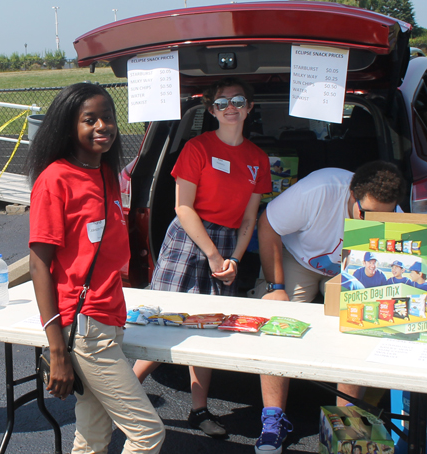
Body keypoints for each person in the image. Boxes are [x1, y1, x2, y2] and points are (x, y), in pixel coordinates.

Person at [26, 83, 165, 453]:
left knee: (92, 438)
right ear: (68, 126)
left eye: (109, 117)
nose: (104, 125)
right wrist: (57, 350)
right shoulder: (54, 181)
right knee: (148, 433)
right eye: (91, 119)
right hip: (84, 328)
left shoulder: (105, 173)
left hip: (110, 318)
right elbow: (40, 266)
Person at [133, 77, 272, 437]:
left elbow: (249, 218)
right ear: (211, 110)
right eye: (223, 103)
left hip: (227, 245)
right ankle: (122, 394)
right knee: (166, 323)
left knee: (207, 325)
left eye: (238, 101)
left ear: (249, 107)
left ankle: (199, 410)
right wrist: (212, 255)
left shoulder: (257, 159)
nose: (231, 108)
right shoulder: (197, 148)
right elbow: (182, 207)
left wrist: (235, 261)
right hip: (190, 239)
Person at [256, 161, 405, 454]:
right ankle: (273, 419)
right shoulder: (320, 189)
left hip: (351, 268)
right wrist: (276, 288)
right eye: (367, 212)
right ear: (351, 195)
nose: (373, 221)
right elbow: (267, 225)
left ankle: (347, 424)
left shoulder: (394, 217)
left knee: (359, 325)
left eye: (383, 216)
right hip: (298, 258)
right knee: (277, 323)